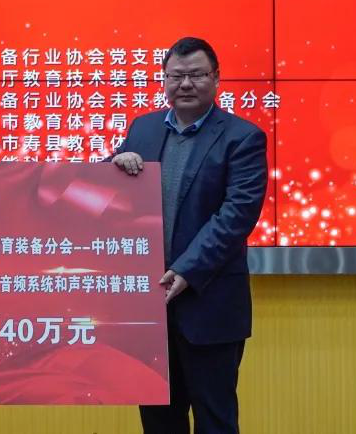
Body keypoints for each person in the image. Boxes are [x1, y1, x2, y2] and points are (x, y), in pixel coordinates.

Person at [111, 37, 267, 434]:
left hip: (209, 304)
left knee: (215, 420)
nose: (184, 84)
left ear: (216, 78)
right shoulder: (143, 129)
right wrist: (114, 162)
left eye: (196, 75)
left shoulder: (242, 137)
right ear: (164, 79)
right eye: (176, 76)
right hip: (147, 308)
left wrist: (186, 270)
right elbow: (106, 194)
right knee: (159, 421)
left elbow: (237, 215)